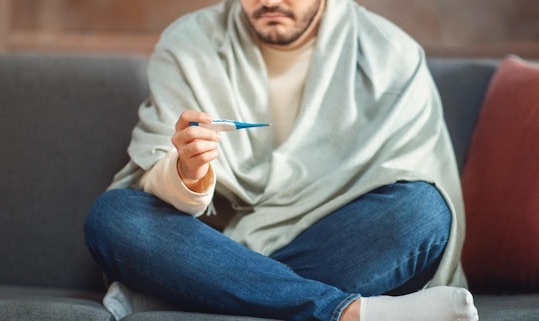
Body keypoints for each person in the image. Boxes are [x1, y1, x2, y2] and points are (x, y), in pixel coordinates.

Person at [84, 0, 480, 320]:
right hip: (209, 238)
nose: (270, 2)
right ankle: (346, 311)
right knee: (115, 216)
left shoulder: (393, 54)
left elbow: (416, 173)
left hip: (325, 239)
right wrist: (188, 173)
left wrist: (201, 272)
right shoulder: (187, 42)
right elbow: (151, 167)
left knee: (424, 213)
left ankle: (185, 295)